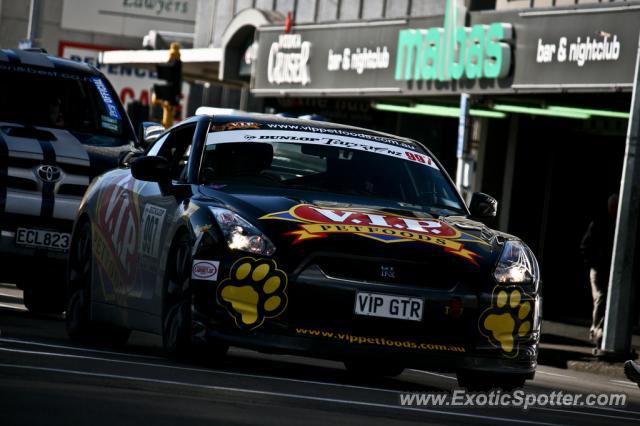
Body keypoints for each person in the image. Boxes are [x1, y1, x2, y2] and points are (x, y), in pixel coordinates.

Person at [580, 194, 618, 348]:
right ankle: (596, 329)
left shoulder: (618, 224)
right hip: (598, 268)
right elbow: (585, 246)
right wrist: (594, 262)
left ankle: (599, 331)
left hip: (609, 270)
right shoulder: (599, 223)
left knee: (606, 299)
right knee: (601, 297)